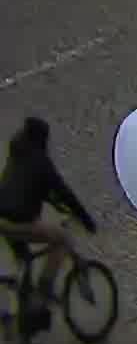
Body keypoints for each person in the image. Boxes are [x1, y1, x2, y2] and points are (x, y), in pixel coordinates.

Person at [2, 117, 96, 304]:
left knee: (24, 256)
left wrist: (54, 203)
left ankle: (23, 294)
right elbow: (64, 192)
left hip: (1, 215)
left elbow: (32, 187)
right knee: (62, 239)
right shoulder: (42, 163)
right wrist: (86, 220)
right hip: (18, 221)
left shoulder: (17, 152)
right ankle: (43, 291)